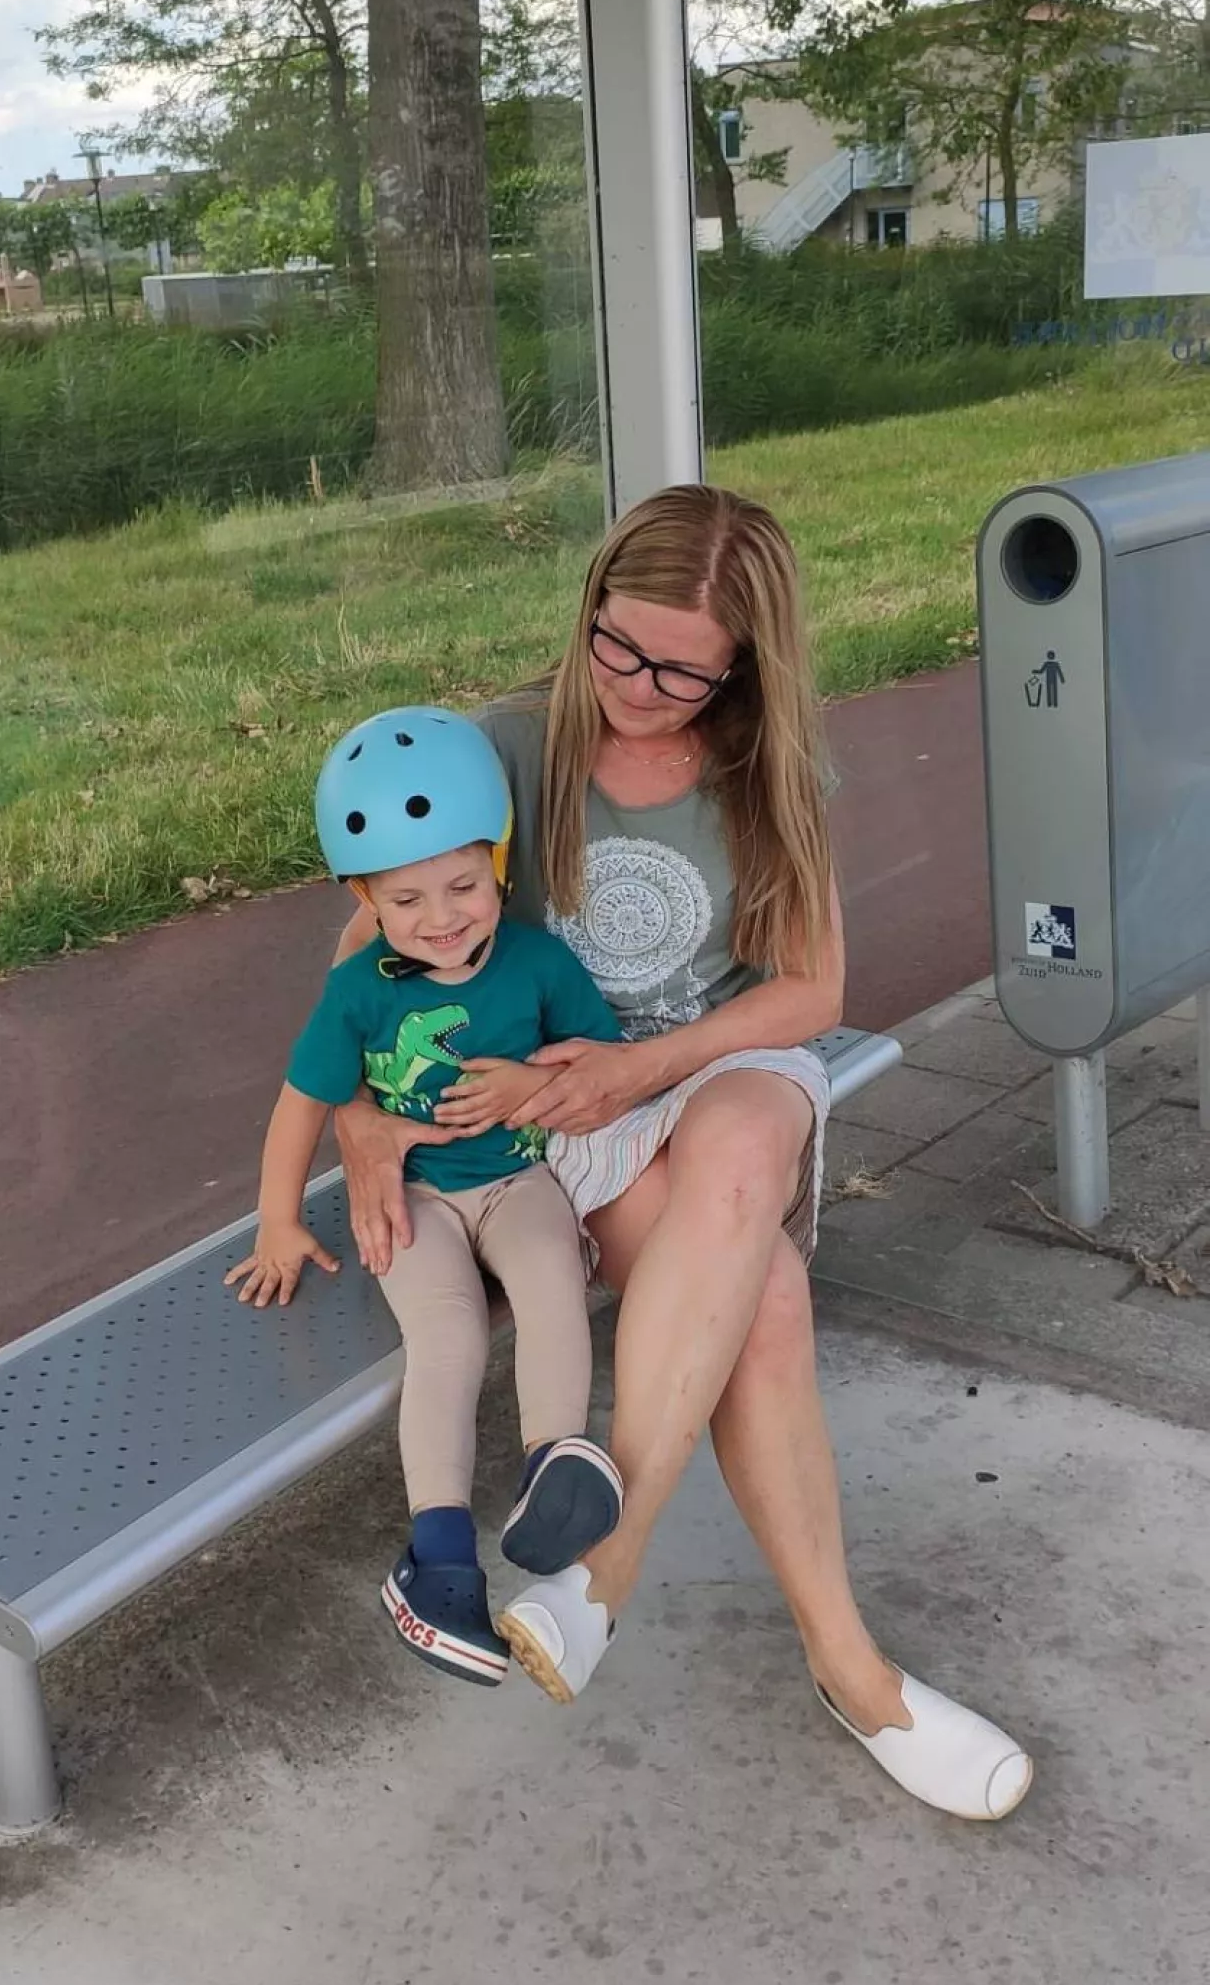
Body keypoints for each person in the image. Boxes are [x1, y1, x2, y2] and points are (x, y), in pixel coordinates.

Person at [331, 489, 1033, 1822]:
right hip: (564, 1110)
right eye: (615, 642)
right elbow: (368, 962)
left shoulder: (765, 763)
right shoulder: (502, 748)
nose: (635, 685)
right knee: (764, 1299)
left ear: (743, 665)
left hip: (719, 1066)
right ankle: (854, 1671)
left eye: (679, 669)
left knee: (743, 1138)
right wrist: (361, 1120)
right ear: (590, 604)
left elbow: (812, 988)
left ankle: (601, 1573)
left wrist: (649, 1064)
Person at [225, 707, 626, 1689]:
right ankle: (438, 1563)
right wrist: (277, 1220)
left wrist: (531, 1083)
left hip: (517, 1177)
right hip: (413, 1199)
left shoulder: (538, 960)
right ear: (362, 896)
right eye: (406, 898)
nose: (442, 917)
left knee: (551, 1284)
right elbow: (300, 1104)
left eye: (463, 884)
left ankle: (552, 1466)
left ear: (498, 864)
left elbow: (598, 1060)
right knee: (448, 1340)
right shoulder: (359, 990)